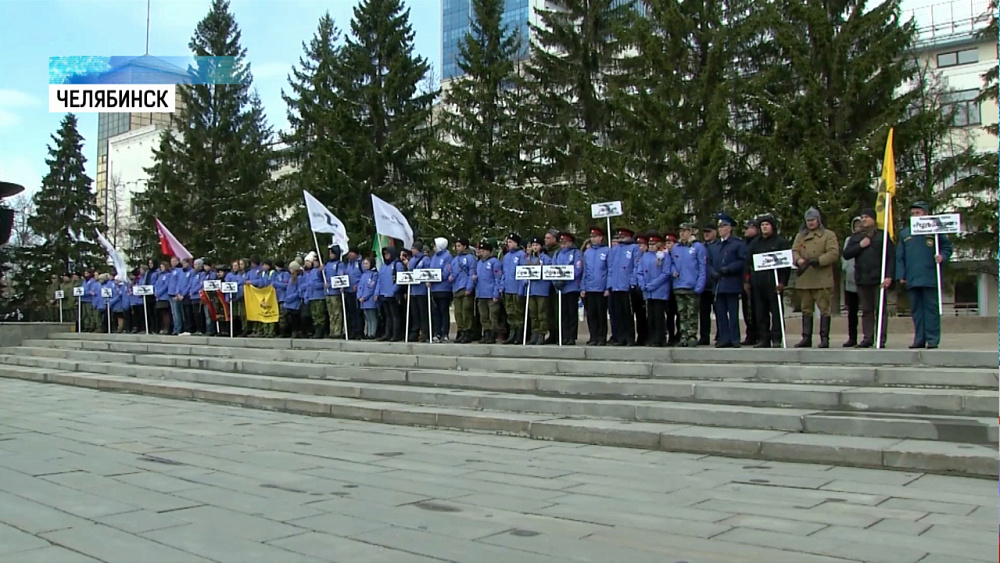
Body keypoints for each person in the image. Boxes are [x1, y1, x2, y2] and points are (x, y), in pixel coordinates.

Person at [896, 201, 953, 349]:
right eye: (913, 213)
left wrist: (942, 256)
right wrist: (901, 274)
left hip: (930, 276)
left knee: (931, 310)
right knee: (916, 311)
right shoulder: (905, 233)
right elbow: (900, 256)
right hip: (912, 277)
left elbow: (947, 247)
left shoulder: (935, 230)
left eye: (918, 213)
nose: (915, 216)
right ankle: (919, 339)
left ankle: (932, 339)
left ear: (926, 214)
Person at [843, 208, 895, 348]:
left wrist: (889, 276)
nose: (864, 219)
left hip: (879, 280)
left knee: (880, 309)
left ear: (873, 219)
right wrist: (860, 246)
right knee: (866, 310)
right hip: (862, 279)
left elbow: (891, 257)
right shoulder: (857, 237)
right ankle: (868, 337)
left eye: (866, 217)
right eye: (862, 217)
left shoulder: (882, 236)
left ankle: (881, 338)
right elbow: (846, 254)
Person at [791, 207, 841, 348]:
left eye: (813, 220)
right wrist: (798, 260)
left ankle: (824, 338)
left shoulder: (828, 235)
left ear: (818, 220)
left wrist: (818, 260)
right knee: (806, 309)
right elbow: (794, 250)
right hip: (805, 277)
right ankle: (806, 337)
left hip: (821, 277)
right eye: (808, 220)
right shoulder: (800, 236)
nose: (810, 223)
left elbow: (833, 253)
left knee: (824, 309)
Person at [745, 214, 791, 348]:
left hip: (774, 282)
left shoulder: (780, 242)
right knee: (760, 313)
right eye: (762, 225)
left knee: (776, 312)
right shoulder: (755, 243)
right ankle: (764, 338)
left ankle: (776, 338)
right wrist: (747, 280)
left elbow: (785, 264)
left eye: (767, 225)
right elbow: (748, 262)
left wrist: (783, 282)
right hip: (758, 282)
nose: (765, 227)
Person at [707, 213, 747, 348]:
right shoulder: (715, 246)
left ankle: (735, 338)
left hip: (731, 283)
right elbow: (708, 262)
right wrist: (712, 272)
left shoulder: (737, 244)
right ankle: (724, 338)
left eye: (723, 226)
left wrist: (729, 269)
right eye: (719, 227)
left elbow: (742, 261)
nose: (720, 229)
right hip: (718, 284)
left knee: (733, 313)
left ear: (729, 228)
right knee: (720, 313)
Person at [671, 224, 707, 347]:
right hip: (679, 285)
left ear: (690, 232)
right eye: (681, 231)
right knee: (682, 313)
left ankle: (692, 336)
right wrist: (672, 270)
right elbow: (671, 263)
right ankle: (683, 336)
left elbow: (702, 267)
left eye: (685, 231)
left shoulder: (697, 247)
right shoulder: (676, 247)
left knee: (692, 313)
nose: (682, 233)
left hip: (692, 285)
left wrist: (699, 285)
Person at [637, 233, 672, 347]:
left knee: (659, 316)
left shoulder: (663, 256)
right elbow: (640, 271)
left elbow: (666, 273)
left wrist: (653, 284)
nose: (651, 246)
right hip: (648, 292)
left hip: (659, 291)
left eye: (653, 244)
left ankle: (660, 338)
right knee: (650, 316)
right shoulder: (645, 256)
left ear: (658, 244)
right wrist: (642, 284)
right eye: (649, 244)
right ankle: (651, 338)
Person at [607, 228, 639, 346]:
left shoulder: (634, 248)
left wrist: (632, 282)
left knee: (627, 313)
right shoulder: (614, 250)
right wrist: (609, 284)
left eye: (623, 236)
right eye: (619, 237)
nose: (620, 239)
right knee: (617, 313)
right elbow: (610, 268)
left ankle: (630, 337)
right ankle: (620, 337)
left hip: (626, 286)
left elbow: (636, 266)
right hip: (615, 286)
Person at [581, 227, 610, 346]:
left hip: (601, 287)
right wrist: (583, 287)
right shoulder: (588, 252)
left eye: (595, 237)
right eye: (592, 237)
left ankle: (602, 337)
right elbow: (585, 270)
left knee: (601, 313)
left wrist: (608, 287)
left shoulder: (607, 251)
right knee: (591, 314)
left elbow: (609, 270)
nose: (593, 239)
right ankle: (593, 336)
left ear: (601, 237)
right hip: (589, 287)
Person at [554, 231, 583, 345]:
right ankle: (563, 335)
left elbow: (578, 269)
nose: (563, 244)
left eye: (565, 241)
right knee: (563, 313)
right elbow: (552, 268)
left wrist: (565, 279)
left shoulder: (576, 253)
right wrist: (555, 281)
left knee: (572, 313)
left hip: (571, 287)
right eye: (561, 241)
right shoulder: (557, 254)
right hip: (560, 289)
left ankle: (571, 336)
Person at [524, 236, 552, 345]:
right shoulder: (528, 259)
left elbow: (549, 272)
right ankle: (534, 333)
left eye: (537, 245)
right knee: (533, 313)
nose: (535, 247)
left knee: (542, 313)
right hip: (531, 289)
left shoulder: (545, 258)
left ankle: (542, 333)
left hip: (542, 289)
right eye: (533, 245)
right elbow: (523, 272)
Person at [500, 233, 527, 345]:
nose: (508, 244)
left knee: (518, 312)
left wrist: (522, 287)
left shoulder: (522, 255)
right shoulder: (506, 257)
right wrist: (502, 286)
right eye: (508, 242)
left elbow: (524, 272)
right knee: (509, 312)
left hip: (517, 288)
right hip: (508, 288)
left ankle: (519, 335)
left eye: (510, 242)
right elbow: (504, 273)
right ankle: (512, 333)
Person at [474, 241, 503, 344]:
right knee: (483, 316)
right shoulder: (479, 263)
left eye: (484, 251)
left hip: (491, 294)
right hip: (481, 293)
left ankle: (493, 334)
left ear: (489, 251)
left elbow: (497, 279)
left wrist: (496, 293)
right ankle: (486, 333)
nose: (481, 252)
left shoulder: (495, 262)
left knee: (493, 316)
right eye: (480, 250)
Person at [841, 217, 863, 347]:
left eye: (860, 225)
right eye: (855, 225)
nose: (858, 227)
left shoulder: (867, 240)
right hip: (850, 280)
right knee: (852, 312)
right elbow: (845, 256)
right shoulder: (849, 240)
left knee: (868, 310)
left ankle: (871, 336)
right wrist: (846, 268)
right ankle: (852, 337)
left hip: (864, 279)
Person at [377, 246, 406, 342]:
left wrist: (393, 290)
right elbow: (379, 280)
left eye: (388, 253)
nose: (386, 255)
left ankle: (396, 334)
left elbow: (400, 280)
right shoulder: (383, 266)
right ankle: (387, 334)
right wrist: (377, 292)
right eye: (384, 254)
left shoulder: (398, 265)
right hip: (384, 294)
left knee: (395, 316)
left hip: (393, 295)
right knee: (387, 316)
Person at [451, 238, 477, 343]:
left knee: (466, 311)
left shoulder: (470, 258)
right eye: (456, 246)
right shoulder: (454, 260)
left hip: (465, 287)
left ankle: (468, 331)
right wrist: (450, 277)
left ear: (465, 246)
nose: (457, 248)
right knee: (458, 312)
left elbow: (472, 273)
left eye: (459, 246)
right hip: (456, 288)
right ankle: (460, 330)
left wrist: (469, 287)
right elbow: (452, 272)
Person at [429, 237, 453, 342]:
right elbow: (430, 270)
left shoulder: (447, 256)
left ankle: (445, 333)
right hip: (434, 289)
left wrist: (436, 277)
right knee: (436, 312)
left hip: (444, 288)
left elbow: (446, 272)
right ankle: (437, 332)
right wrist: (429, 279)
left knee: (444, 311)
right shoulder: (434, 257)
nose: (434, 247)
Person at [698, 223, 719, 345]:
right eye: (705, 232)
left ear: (715, 232)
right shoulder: (701, 246)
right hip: (703, 285)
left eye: (709, 231)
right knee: (704, 313)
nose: (706, 234)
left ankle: (721, 334)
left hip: (715, 284)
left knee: (719, 312)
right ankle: (704, 336)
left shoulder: (719, 246)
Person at [740, 219, 760, 345]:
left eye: (748, 228)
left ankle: (760, 334)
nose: (745, 231)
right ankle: (750, 334)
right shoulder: (744, 244)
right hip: (745, 279)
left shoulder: (758, 243)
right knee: (747, 310)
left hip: (758, 280)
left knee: (757, 310)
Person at [324, 245, 347, 339]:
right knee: (331, 313)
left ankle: (337, 331)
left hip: (335, 292)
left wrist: (330, 284)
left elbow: (339, 277)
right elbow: (321, 275)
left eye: (332, 253)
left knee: (336, 312)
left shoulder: (339, 264)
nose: (330, 255)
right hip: (327, 292)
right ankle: (332, 330)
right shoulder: (327, 264)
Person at [631, 232, 649, 346]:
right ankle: (641, 336)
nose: (639, 247)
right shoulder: (636, 257)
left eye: (641, 245)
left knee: (647, 314)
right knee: (638, 314)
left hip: (647, 288)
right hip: (636, 288)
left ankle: (648, 336)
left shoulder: (648, 257)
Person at [543, 229, 561, 344]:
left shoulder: (558, 251)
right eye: (545, 238)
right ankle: (552, 333)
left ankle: (559, 334)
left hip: (556, 285)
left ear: (555, 239)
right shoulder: (544, 252)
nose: (546, 240)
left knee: (556, 310)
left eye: (548, 238)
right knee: (548, 310)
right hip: (545, 285)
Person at [663, 234, 681, 345]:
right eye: (667, 243)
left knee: (679, 313)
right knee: (669, 315)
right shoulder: (664, 256)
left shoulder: (679, 255)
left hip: (678, 286)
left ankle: (679, 334)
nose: (668, 245)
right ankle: (670, 335)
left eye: (670, 243)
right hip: (667, 289)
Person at [344, 248, 364, 339]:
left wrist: (359, 285)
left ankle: (359, 331)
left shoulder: (360, 263)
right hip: (348, 291)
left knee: (358, 312)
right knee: (351, 312)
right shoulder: (347, 263)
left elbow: (365, 275)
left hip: (357, 292)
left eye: (351, 253)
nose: (349, 255)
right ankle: (352, 331)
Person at [358, 257, 379, 339]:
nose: (365, 265)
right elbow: (360, 286)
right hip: (363, 300)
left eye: (367, 264)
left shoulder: (374, 274)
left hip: (370, 299)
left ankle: (372, 333)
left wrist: (364, 297)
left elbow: (371, 288)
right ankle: (368, 332)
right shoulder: (363, 275)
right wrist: (359, 296)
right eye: (364, 264)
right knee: (367, 317)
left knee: (372, 317)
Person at [154, 261, 171, 334]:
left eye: (162, 267)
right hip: (158, 297)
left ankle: (167, 328)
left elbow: (166, 285)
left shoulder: (168, 275)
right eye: (160, 267)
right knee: (161, 313)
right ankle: (163, 327)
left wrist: (159, 293)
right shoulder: (160, 276)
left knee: (166, 313)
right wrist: (156, 292)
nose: (161, 268)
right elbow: (156, 285)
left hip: (164, 296)